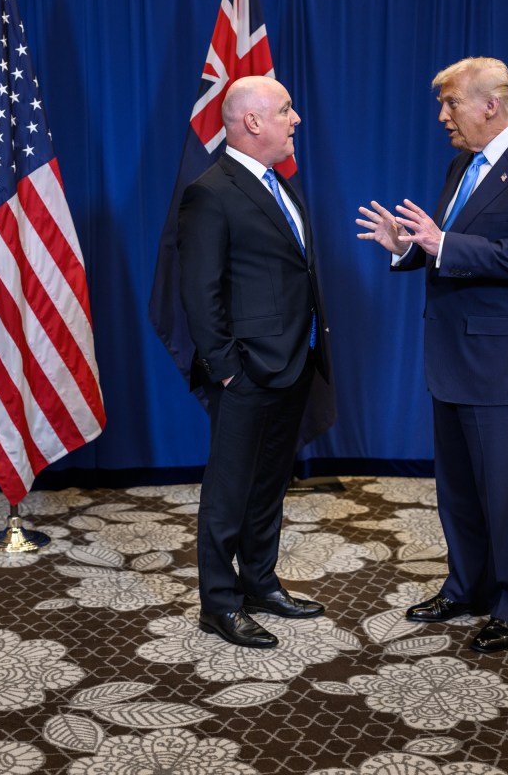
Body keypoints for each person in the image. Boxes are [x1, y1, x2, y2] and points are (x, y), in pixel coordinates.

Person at [356, 57, 508, 653]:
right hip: (453, 353)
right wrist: (408, 248)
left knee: (501, 490)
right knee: (457, 486)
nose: (442, 115)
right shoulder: (463, 164)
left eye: (451, 103)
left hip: (503, 361)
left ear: (490, 105)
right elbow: (449, 249)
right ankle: (466, 587)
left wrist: (443, 242)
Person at [178, 75, 331, 648]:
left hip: (293, 363)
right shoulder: (210, 192)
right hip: (244, 370)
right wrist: (225, 367)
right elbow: (199, 291)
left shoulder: (280, 187)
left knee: (269, 484)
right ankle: (218, 603)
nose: (296, 119)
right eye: (286, 110)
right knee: (229, 491)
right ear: (251, 122)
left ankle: (260, 582)